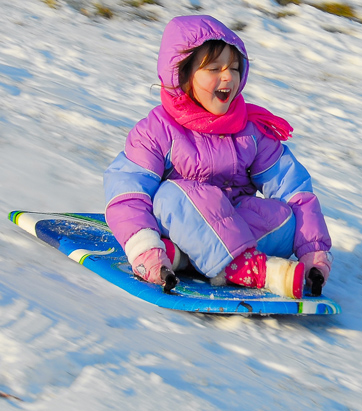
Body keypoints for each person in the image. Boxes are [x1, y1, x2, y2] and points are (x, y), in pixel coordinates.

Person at [104, 14, 332, 299]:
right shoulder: (156, 131)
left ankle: (188, 259)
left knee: (286, 217)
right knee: (171, 195)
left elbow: (292, 187)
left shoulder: (249, 129)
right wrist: (145, 249)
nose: (228, 77)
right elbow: (127, 191)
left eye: (234, 68)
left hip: (230, 222)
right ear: (182, 74)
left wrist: (314, 252)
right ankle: (246, 267)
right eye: (213, 68)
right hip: (176, 220)